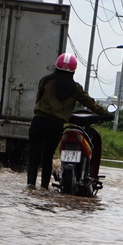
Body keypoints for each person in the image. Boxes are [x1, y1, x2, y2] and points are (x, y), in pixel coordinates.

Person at [27, 53, 111, 190]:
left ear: (56, 67)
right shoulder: (75, 88)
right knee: (47, 157)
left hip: (39, 121)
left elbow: (38, 99)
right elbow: (91, 104)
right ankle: (44, 187)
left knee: (34, 155)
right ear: (73, 70)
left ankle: (30, 184)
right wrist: (105, 114)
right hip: (55, 125)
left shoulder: (46, 81)